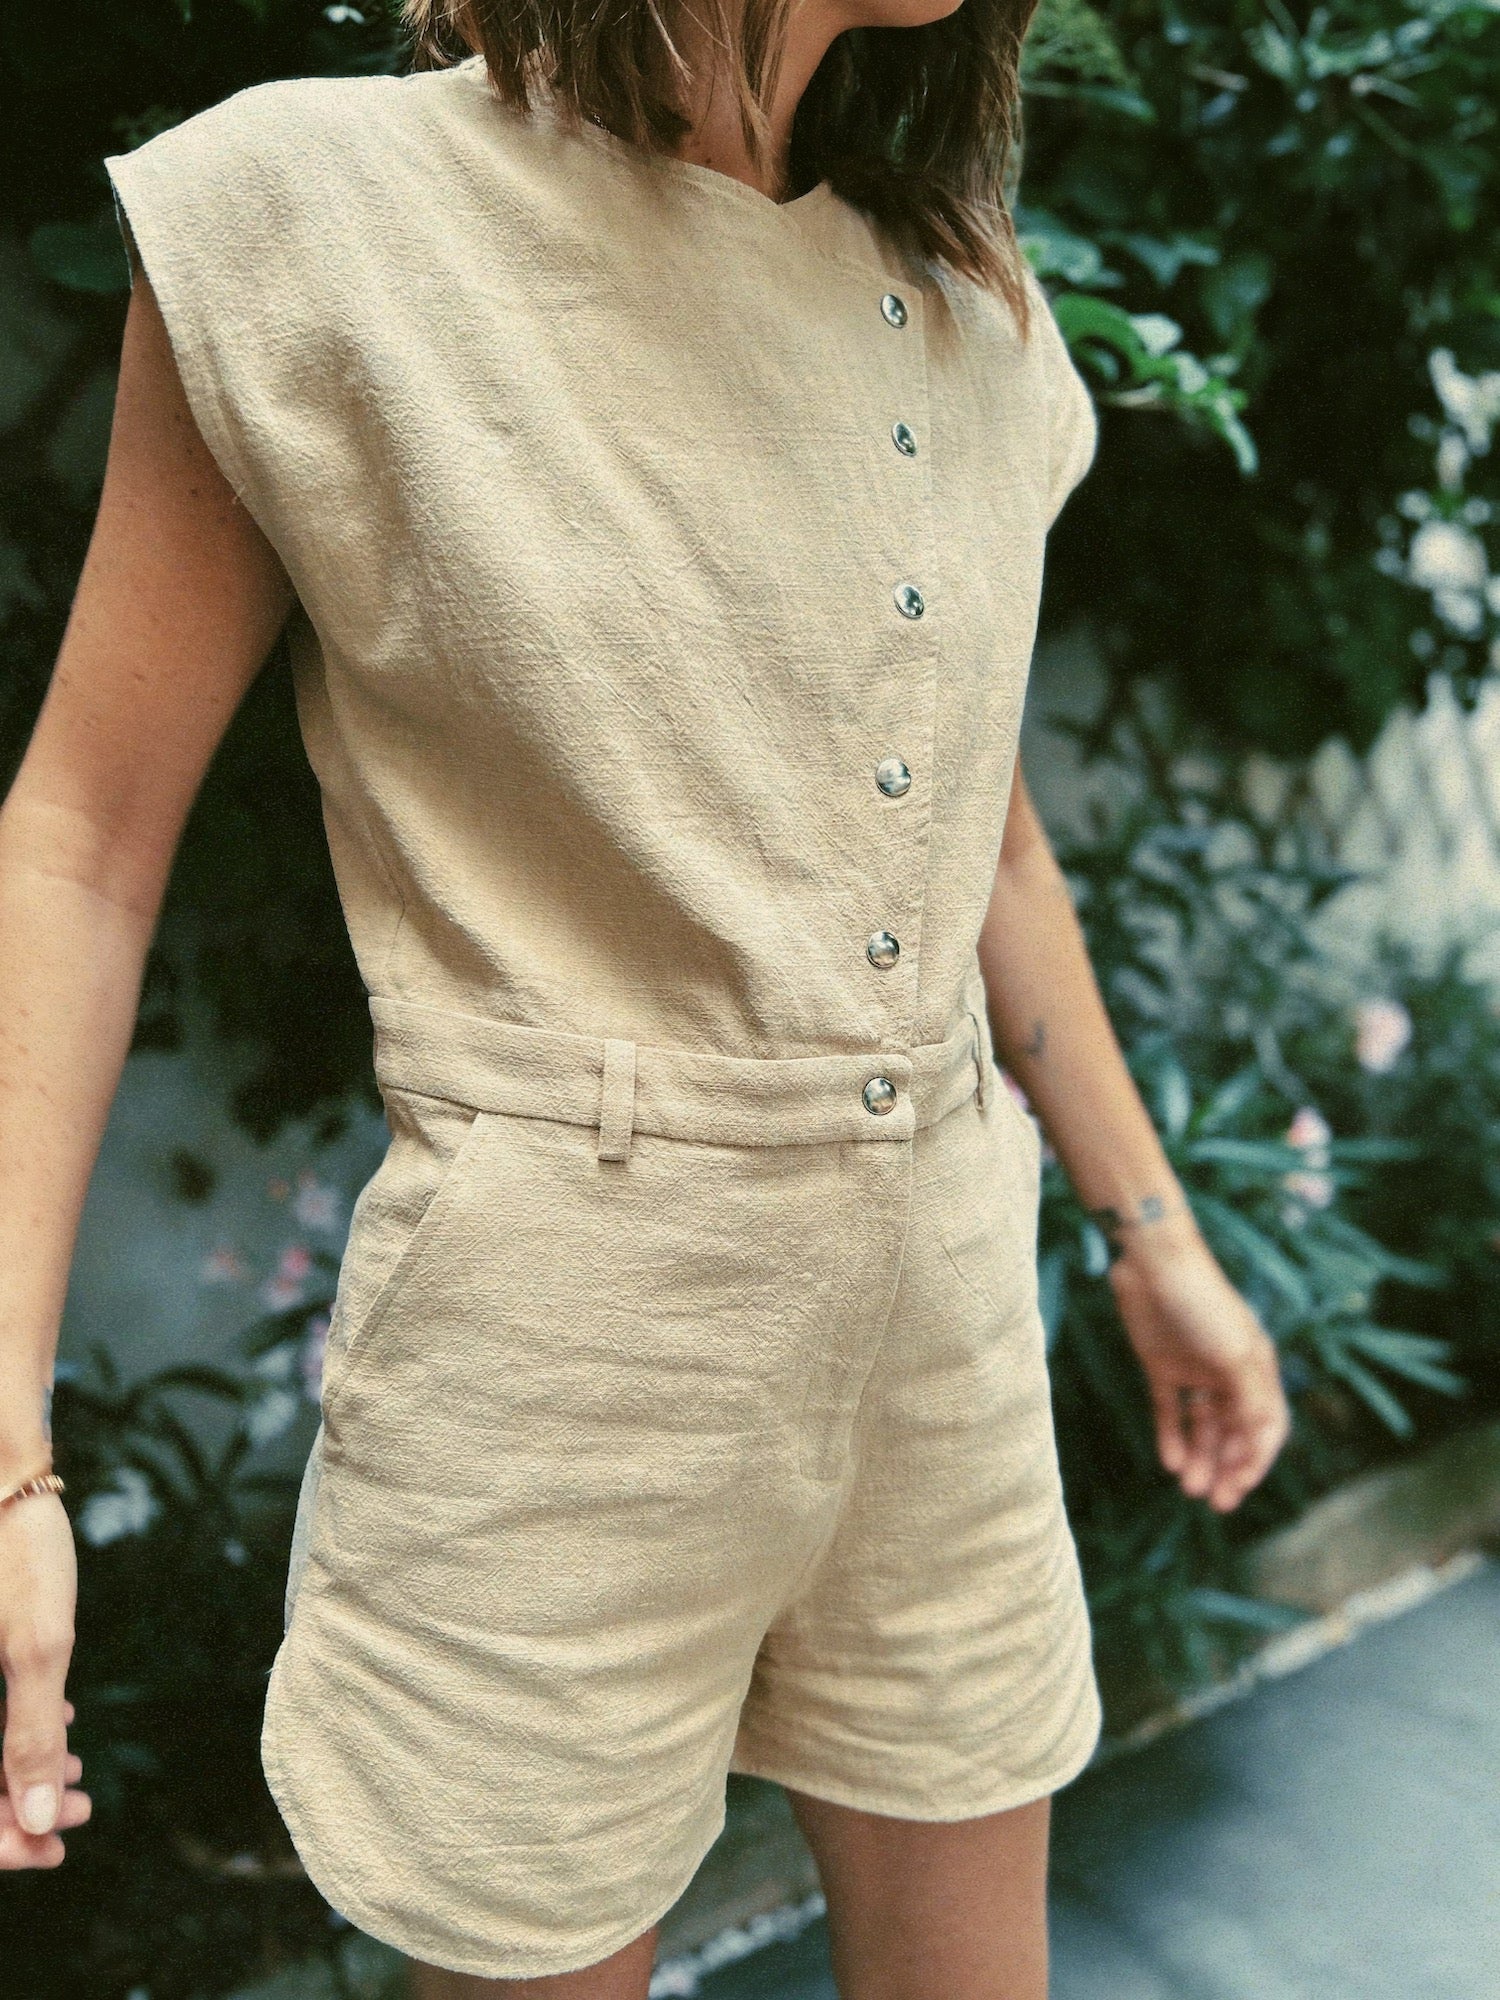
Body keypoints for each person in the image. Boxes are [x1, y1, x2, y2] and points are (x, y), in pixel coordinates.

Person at [0, 0, 1291, 1991]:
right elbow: (81, 838)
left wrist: (1156, 1234)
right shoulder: (317, 217)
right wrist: (8, 1452)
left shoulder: (956, 285)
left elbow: (985, 841)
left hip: (944, 1320)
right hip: (565, 1369)